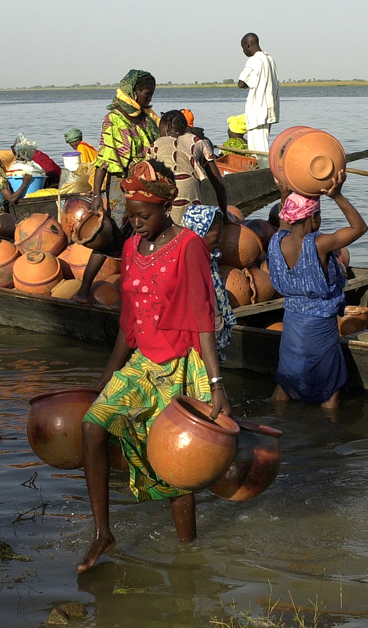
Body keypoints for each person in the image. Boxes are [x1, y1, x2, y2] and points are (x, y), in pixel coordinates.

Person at [78, 160, 230, 572]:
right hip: (143, 362)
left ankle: (188, 554)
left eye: (143, 216)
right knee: (92, 426)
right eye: (130, 216)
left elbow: (203, 317)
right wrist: (107, 376)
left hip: (180, 364)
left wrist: (216, 384)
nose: (136, 223)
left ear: (165, 208)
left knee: (175, 463)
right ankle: (102, 533)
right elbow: (129, 321)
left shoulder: (189, 246)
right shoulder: (130, 247)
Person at [267, 174, 367, 410]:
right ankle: (329, 428)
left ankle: (276, 418)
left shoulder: (277, 241)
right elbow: (359, 228)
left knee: (287, 377)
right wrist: (337, 195)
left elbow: (285, 223)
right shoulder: (319, 244)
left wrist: (284, 194)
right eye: (318, 215)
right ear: (313, 218)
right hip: (318, 325)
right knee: (330, 385)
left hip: (292, 322)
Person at [73, 70, 160, 306]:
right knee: (111, 237)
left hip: (146, 187)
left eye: (152, 93)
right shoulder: (114, 119)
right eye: (146, 93)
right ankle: (83, 290)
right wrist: (97, 195)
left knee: (143, 237)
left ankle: (136, 292)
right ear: (134, 91)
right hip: (121, 190)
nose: (150, 97)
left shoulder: (145, 118)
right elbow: (104, 159)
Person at [181, 204, 237, 361]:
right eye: (217, 236)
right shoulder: (193, 266)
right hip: (200, 340)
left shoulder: (210, 259)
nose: (220, 240)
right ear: (200, 234)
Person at [151, 110, 228, 225]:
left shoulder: (155, 145)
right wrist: (225, 216)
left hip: (166, 206)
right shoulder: (197, 141)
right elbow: (218, 184)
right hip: (192, 205)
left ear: (166, 127)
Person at [236, 33, 280, 154]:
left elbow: (241, 83)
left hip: (258, 111)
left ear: (248, 45)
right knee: (263, 143)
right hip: (269, 109)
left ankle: (264, 166)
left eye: (243, 48)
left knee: (258, 148)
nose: (244, 51)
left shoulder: (254, 60)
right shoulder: (269, 59)